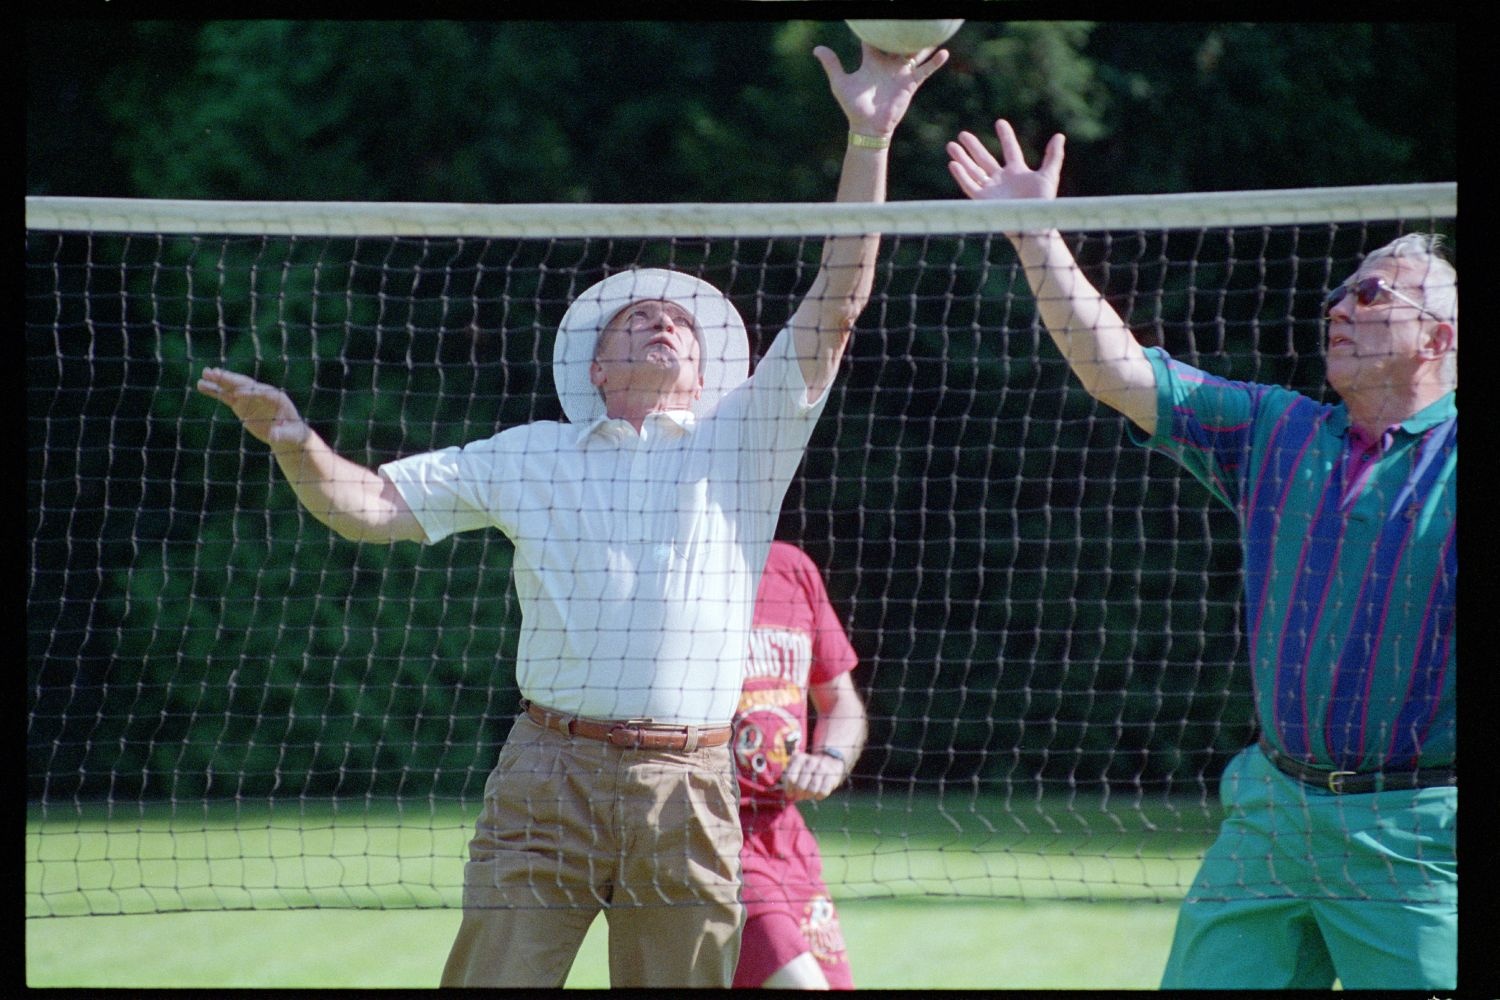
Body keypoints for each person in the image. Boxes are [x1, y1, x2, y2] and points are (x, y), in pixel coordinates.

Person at [195, 43, 945, 989]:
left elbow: (840, 299)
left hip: (691, 785)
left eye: (679, 319)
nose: (662, 320)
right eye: (637, 319)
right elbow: (371, 506)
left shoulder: (747, 440)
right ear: (596, 368)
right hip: (547, 773)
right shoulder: (528, 453)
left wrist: (870, 134)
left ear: (712, 374)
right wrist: (296, 440)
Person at [945, 120, 1456, 990]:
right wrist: (1037, 236)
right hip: (1270, 815)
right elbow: (1116, 371)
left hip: (1421, 833)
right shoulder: (1277, 429)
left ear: (1439, 338)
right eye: (1339, 294)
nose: (1338, 308)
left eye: (1371, 297)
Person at [731, 540, 867, 990]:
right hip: (711, 836)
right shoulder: (672, 575)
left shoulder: (791, 568)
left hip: (787, 840)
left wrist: (830, 760)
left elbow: (840, 702)